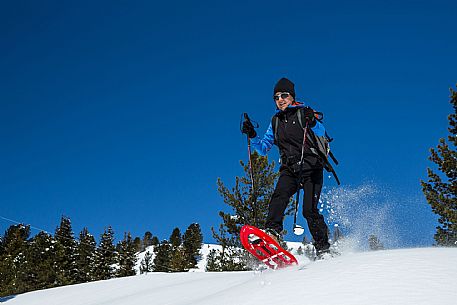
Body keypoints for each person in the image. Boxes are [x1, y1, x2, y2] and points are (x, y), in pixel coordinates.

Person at [242, 77, 331, 256]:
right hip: (289, 168)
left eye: (284, 95)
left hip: (311, 167)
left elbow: (322, 131)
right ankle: (272, 233)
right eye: (276, 97)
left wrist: (312, 122)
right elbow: (263, 148)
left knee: (309, 211)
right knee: (279, 195)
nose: (280, 99)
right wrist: (252, 135)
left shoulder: (303, 112)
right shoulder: (275, 121)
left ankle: (324, 249)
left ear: (292, 96)